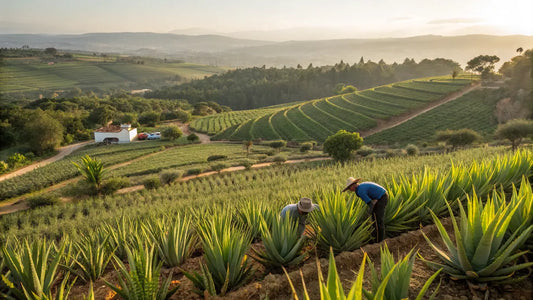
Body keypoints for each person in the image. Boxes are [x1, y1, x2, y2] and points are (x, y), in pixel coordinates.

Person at [342, 177, 388, 242]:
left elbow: (370, 203)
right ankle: (376, 238)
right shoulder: (360, 188)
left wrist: (369, 213)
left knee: (378, 219)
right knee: (375, 219)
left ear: (354, 185)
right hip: (380, 198)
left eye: (349, 188)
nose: (350, 190)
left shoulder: (361, 191)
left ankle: (380, 240)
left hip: (382, 198)